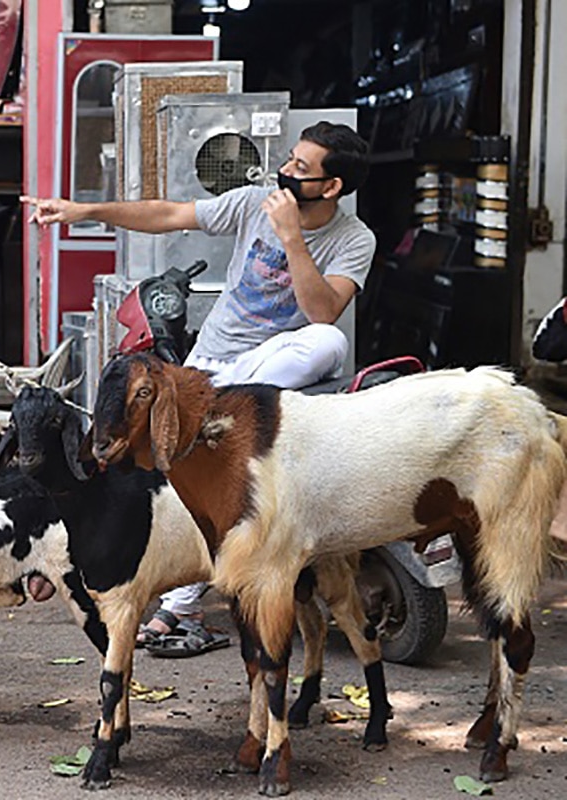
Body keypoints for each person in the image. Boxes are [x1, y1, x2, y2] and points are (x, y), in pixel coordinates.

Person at [23, 121, 374, 656]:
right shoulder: (255, 200)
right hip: (213, 361)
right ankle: (149, 593)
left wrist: (291, 238)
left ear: (332, 187)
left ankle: (219, 402)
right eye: (289, 161)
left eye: (302, 170)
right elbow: (168, 214)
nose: (285, 174)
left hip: (269, 370)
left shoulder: (353, 239)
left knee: (328, 341)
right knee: (175, 480)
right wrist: (83, 211)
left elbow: (324, 310)